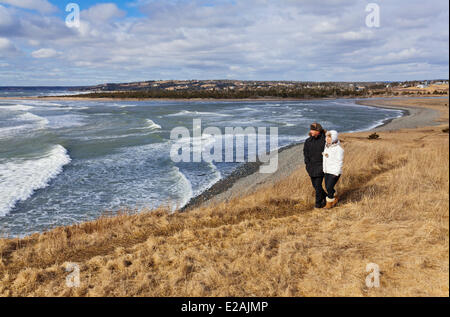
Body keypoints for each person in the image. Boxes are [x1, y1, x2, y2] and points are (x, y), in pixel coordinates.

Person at [303, 122, 327, 208]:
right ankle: (326, 197)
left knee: (317, 186)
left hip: (321, 167)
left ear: (318, 130)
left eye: (313, 129)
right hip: (311, 167)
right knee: (316, 186)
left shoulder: (325, 140)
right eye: (311, 129)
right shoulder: (308, 141)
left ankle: (318, 205)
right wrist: (307, 164)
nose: (311, 131)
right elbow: (305, 153)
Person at [322, 130, 344, 209]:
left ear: (334, 138)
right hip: (327, 170)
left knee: (328, 187)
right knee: (328, 187)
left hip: (334, 172)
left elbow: (339, 162)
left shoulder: (339, 149)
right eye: (327, 137)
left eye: (329, 137)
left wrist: (336, 173)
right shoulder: (327, 146)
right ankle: (335, 197)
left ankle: (329, 204)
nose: (327, 139)